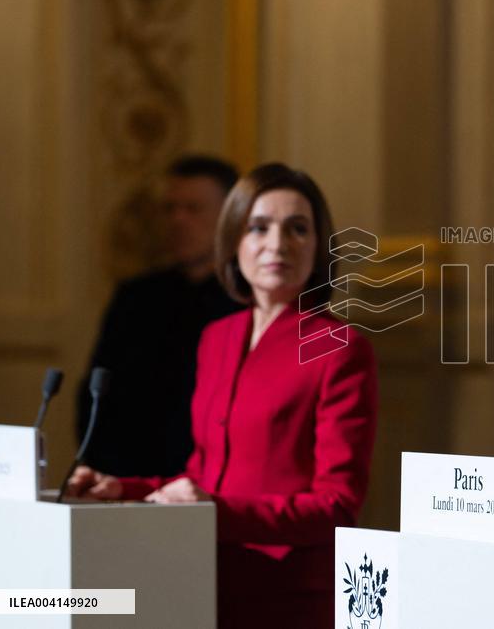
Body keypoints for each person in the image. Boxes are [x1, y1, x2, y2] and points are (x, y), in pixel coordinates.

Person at [67, 163, 379, 628]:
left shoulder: (339, 347)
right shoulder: (217, 337)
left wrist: (216, 511)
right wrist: (124, 490)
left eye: (297, 228)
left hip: (287, 594)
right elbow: (204, 474)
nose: (277, 244)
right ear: (234, 241)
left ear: (318, 248)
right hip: (199, 578)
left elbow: (336, 504)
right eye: (259, 228)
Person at [76, 155, 242, 477]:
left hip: (216, 487)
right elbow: (96, 393)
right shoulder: (135, 297)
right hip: (129, 480)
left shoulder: (249, 302)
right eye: (170, 208)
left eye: (193, 209)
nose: (178, 220)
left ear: (230, 218)